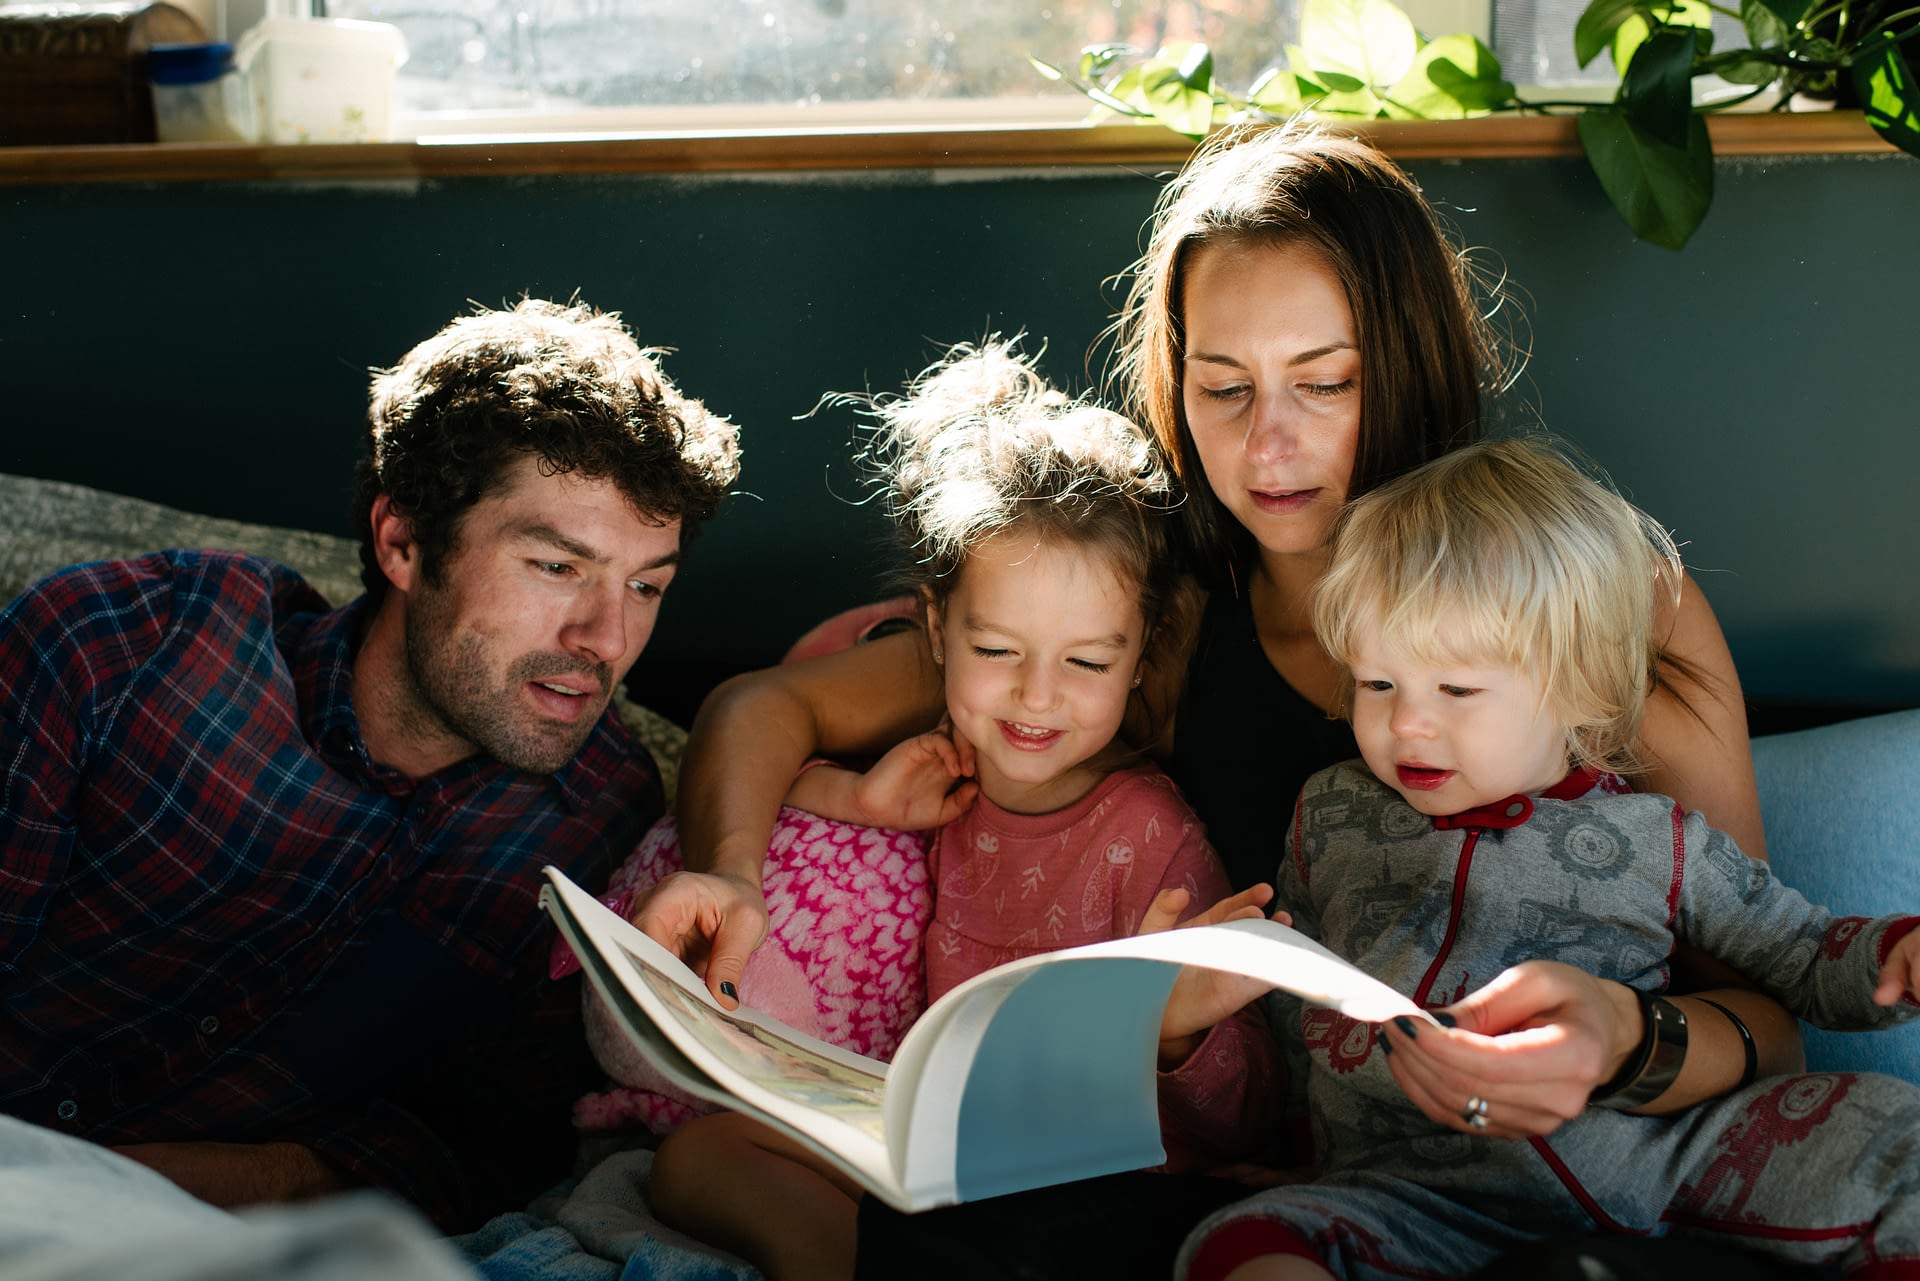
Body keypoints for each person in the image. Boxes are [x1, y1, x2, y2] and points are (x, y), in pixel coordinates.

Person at [633, 122, 1810, 1278]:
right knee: (719, 1163)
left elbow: (1771, 1022)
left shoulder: (1606, 596)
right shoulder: (1162, 618)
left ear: (1407, 364)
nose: (1268, 446)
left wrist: (1626, 1041)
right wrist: (730, 873)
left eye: (1325, 382)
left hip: (1577, 1176)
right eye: (1222, 388)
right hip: (1279, 1193)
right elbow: (764, 708)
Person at [0, 296, 741, 1233]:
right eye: (556, 567)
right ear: (403, 542)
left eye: (645, 585)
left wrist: (231, 1184)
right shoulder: (128, 646)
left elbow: (490, 1151)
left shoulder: (596, 814)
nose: (607, 639)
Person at [595, 340, 1274, 1281]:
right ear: (936, 630)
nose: (1037, 696)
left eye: (1087, 662)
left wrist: (1177, 1030)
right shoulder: (941, 774)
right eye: (997, 650)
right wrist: (853, 797)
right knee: (698, 1160)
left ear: (1139, 655)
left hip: (1085, 1186)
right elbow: (763, 743)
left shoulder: (1153, 838)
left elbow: (1245, 1120)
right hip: (938, 1151)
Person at [1176, 435, 1920, 1280]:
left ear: (1576, 689)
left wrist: (1894, 954)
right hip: (1406, 1190)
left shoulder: (1656, 835)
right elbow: (1294, 1006)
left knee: (1895, 1132)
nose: (1407, 722)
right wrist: (1293, 1142)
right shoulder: (1329, 812)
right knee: (1240, 1242)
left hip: (1660, 1156)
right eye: (1378, 683)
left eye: (1457, 688)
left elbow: (1804, 953)